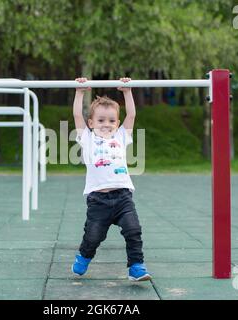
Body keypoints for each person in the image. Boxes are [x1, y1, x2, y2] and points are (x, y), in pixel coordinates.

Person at [71, 77, 151, 281]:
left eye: (112, 120)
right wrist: (79, 92)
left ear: (117, 123)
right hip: (98, 199)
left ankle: (136, 266)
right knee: (94, 236)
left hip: (123, 196)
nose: (107, 124)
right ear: (91, 123)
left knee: (133, 230)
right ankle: (84, 255)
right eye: (100, 120)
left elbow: (132, 114)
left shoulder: (121, 136)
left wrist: (127, 91)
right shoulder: (87, 138)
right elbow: (76, 115)